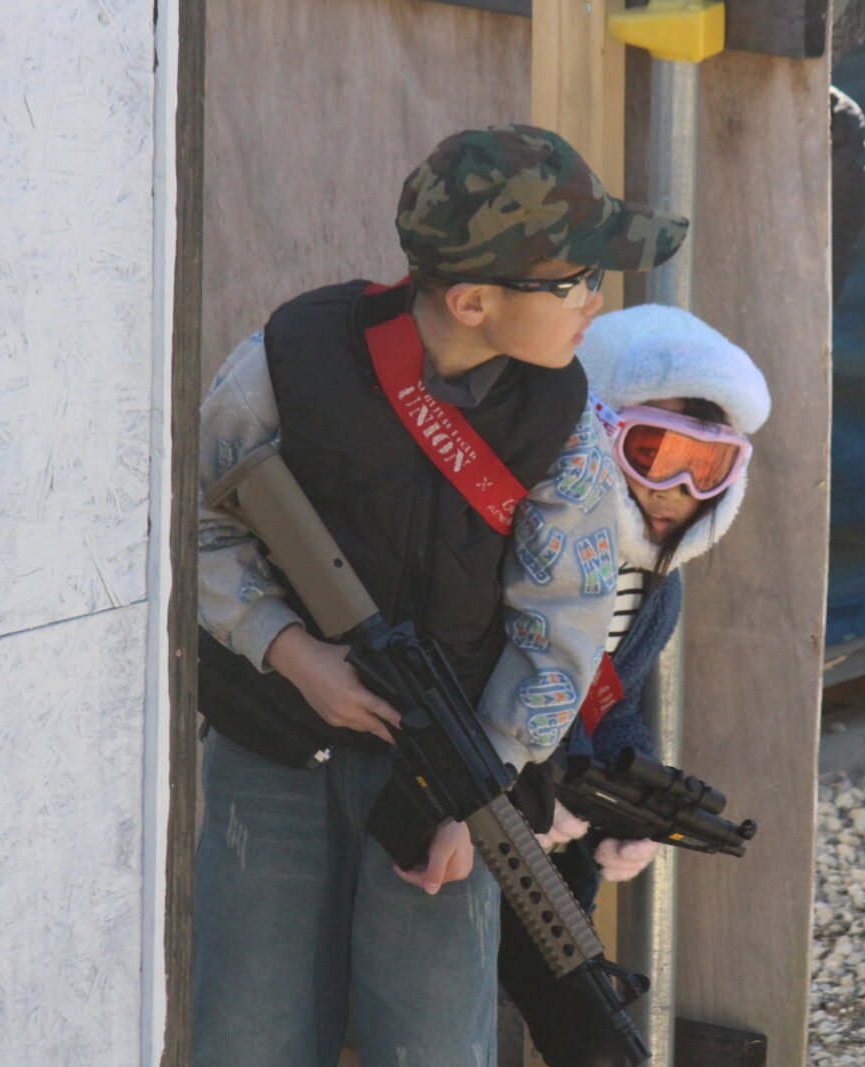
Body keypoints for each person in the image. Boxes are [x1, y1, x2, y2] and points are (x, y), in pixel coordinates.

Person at [191, 126, 687, 1067]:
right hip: (272, 748)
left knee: (433, 1042)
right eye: (577, 280)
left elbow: (565, 626)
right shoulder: (289, 361)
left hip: (448, 781)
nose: (597, 299)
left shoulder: (561, 424)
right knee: (245, 1035)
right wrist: (294, 652)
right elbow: (200, 525)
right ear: (471, 301)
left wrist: (483, 787)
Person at [496, 304, 772, 1066]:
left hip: (553, 851)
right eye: (653, 453)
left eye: (706, 469)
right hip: (473, 809)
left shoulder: (657, 589)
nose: (675, 488)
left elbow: (613, 702)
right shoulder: (525, 531)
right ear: (598, 430)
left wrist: (634, 810)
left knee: (574, 1018)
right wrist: (526, 782)